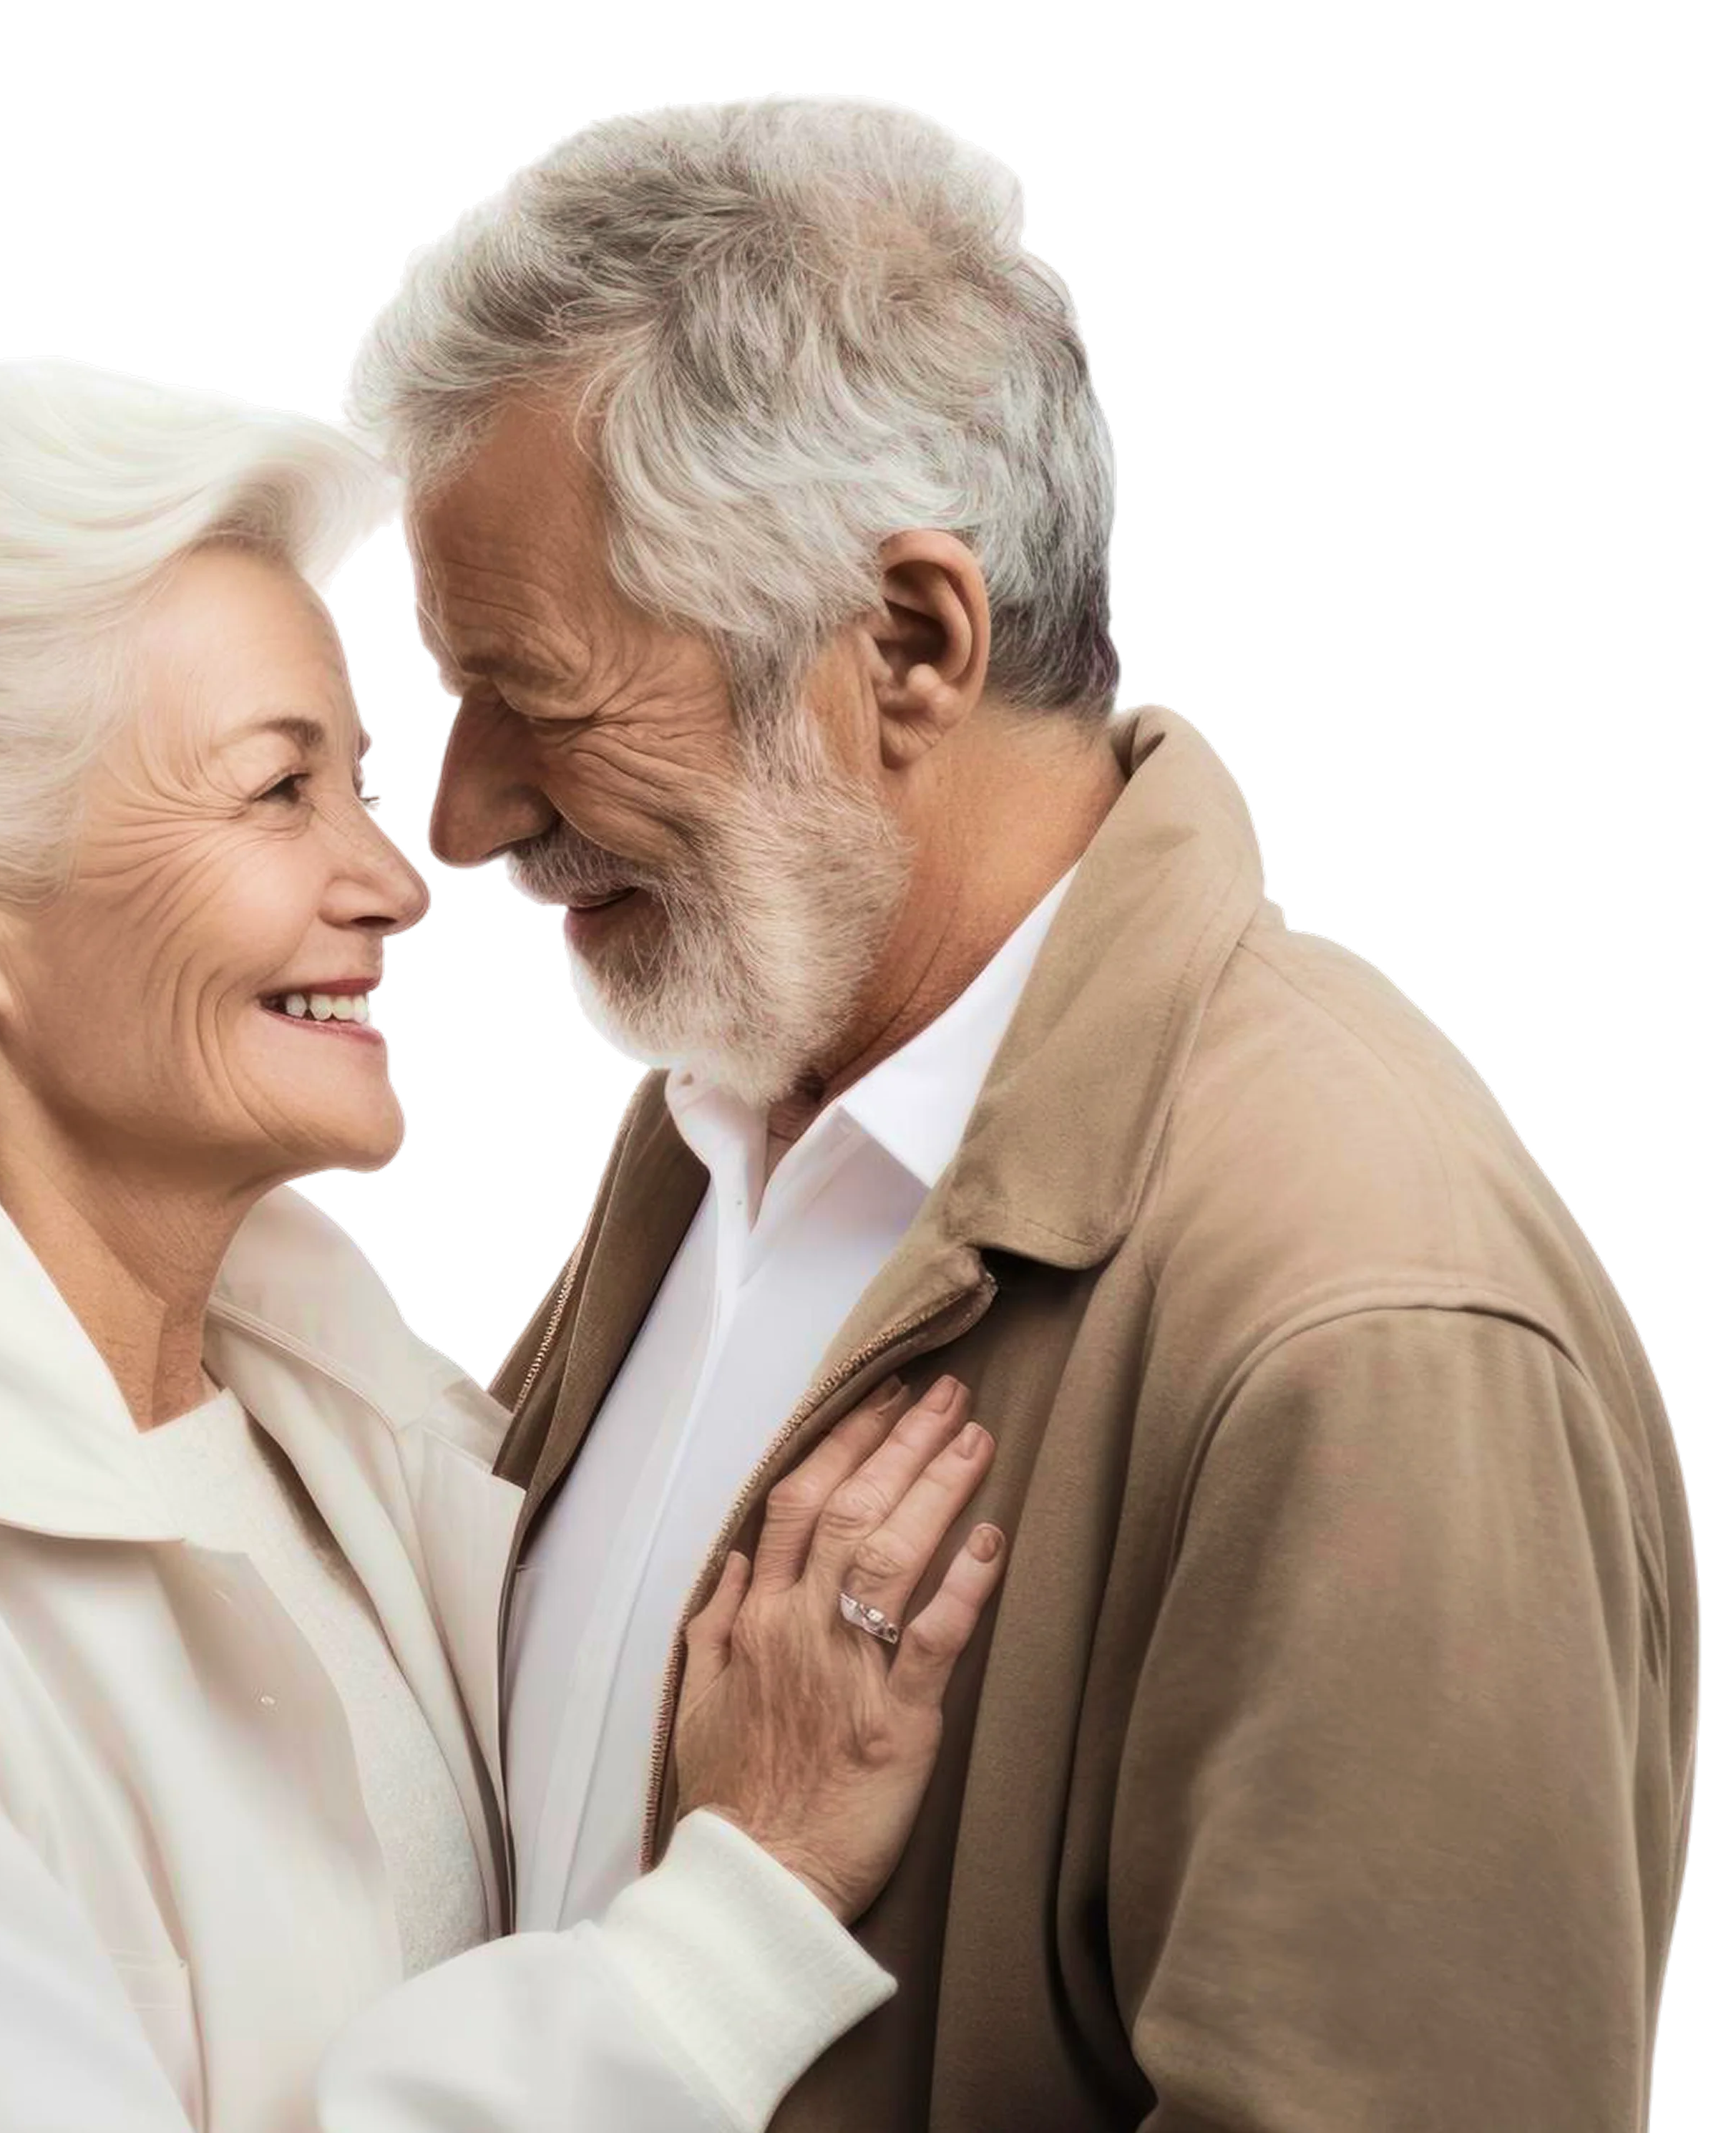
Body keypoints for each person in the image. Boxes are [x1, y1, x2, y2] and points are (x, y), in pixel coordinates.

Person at [0, 353, 1013, 2130]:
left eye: (356, 779)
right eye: (278, 792)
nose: (398, 879)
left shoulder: (317, 1418)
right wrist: (739, 1912)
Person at [338, 92, 1700, 2126]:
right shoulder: (726, 1107)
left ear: (910, 643)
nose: (463, 816)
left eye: (539, 687)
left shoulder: (1369, 1330)